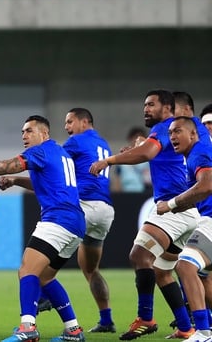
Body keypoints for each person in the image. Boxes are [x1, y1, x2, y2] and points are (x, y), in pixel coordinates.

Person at [0, 115, 85, 342]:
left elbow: (3, 165)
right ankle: (74, 330)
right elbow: (45, 184)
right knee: (45, 278)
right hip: (76, 224)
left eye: (29, 131)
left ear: (44, 134)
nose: (24, 136)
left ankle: (27, 327)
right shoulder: (60, 153)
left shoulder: (39, 152)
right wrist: (16, 180)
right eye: (22, 132)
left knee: (27, 271)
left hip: (57, 220)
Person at [90, 90, 198, 340]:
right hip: (189, 211)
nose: (145, 109)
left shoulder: (164, 128)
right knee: (162, 271)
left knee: (139, 256)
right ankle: (185, 327)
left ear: (167, 108)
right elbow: (150, 151)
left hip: (173, 208)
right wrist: (140, 144)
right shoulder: (181, 132)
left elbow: (147, 154)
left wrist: (110, 161)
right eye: (145, 105)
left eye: (151, 104)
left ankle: (146, 318)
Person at [155, 116, 212, 342]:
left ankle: (203, 332)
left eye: (177, 131)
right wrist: (177, 207)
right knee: (203, 274)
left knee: (185, 265)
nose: (172, 137)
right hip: (206, 218)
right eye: (170, 133)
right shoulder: (193, 155)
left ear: (193, 134)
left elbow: (207, 185)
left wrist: (171, 204)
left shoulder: (199, 152)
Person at [61, 108, 116, 333]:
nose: (67, 127)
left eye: (70, 121)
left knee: (42, 256)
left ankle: (44, 295)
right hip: (105, 210)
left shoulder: (75, 142)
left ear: (84, 122)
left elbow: (56, 164)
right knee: (91, 269)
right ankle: (106, 319)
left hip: (84, 205)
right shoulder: (104, 144)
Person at [110, 127, 151, 193]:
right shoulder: (122, 160)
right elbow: (117, 179)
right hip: (126, 194)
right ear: (130, 139)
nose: (137, 141)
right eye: (135, 138)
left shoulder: (148, 159)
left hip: (144, 194)